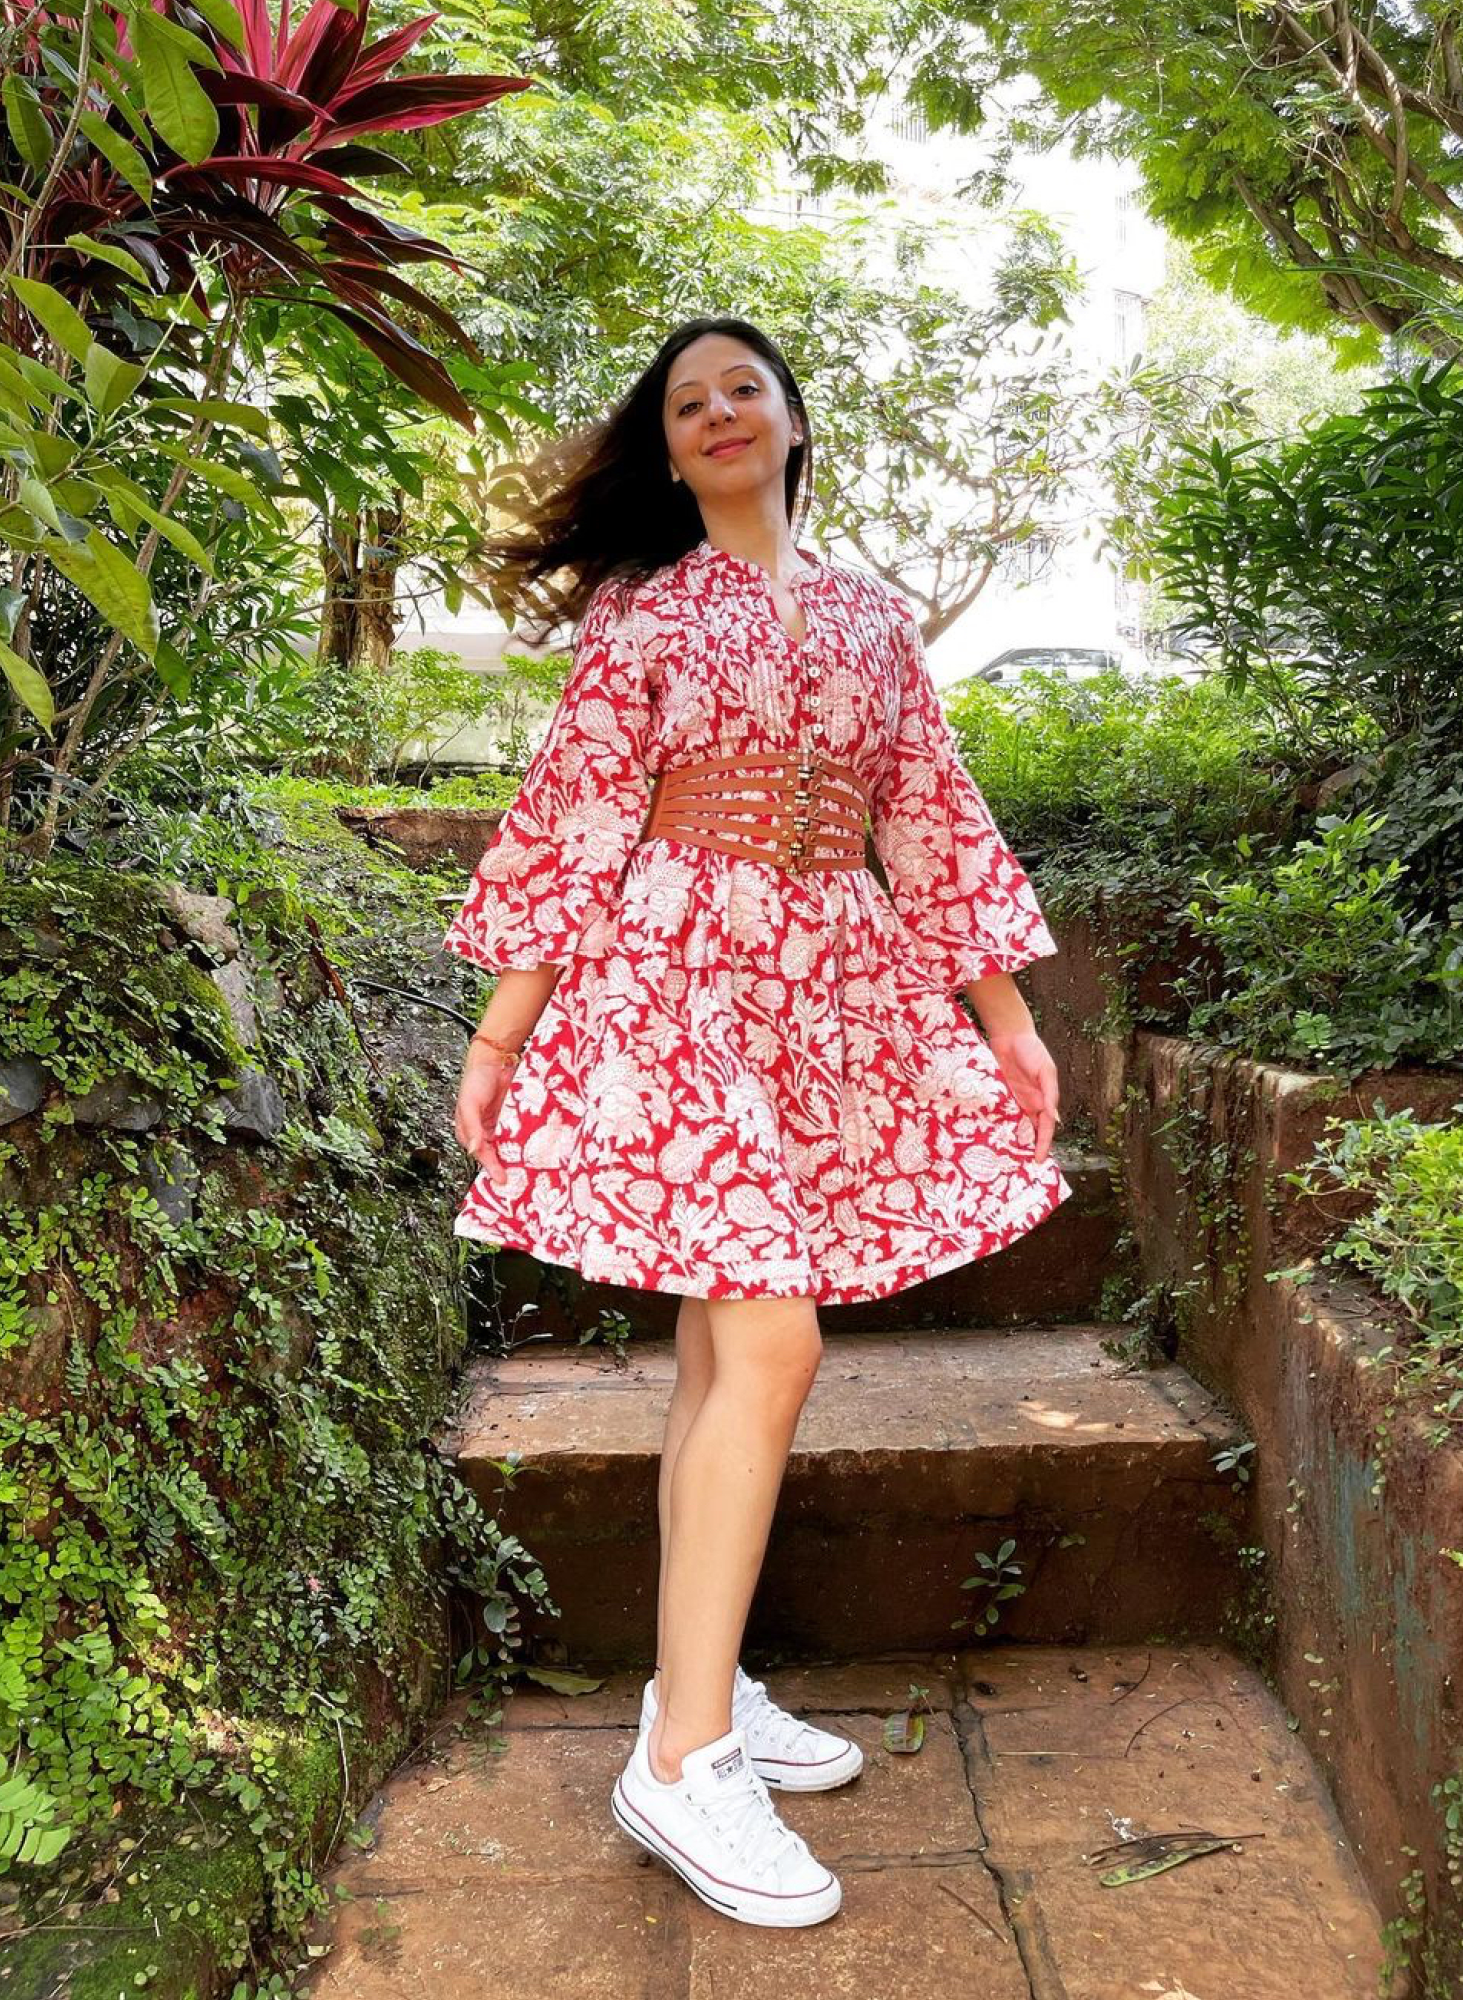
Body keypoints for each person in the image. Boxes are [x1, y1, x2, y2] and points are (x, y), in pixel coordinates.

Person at [446, 315, 1072, 1928]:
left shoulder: (873, 617)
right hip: (677, 976)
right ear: (668, 455)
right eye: (687, 403)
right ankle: (684, 1764)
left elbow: (928, 814)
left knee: (722, 1351)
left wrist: (1006, 1018)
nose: (719, 412)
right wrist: (504, 1034)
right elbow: (576, 815)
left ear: (795, 423)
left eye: (746, 389)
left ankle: (693, 1691)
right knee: (772, 1343)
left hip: (826, 988)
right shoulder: (646, 611)